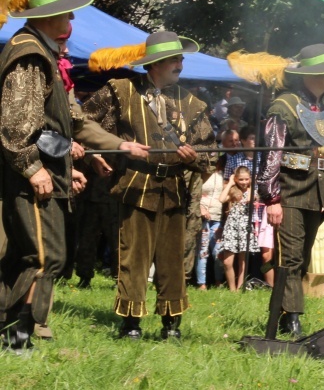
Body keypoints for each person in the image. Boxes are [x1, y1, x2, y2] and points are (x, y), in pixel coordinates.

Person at [73, 31, 216, 339]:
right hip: (135, 185)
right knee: (133, 258)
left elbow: (210, 152)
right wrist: (100, 152)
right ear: (156, 64)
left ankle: (171, 325)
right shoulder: (121, 91)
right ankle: (131, 324)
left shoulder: (193, 104)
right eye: (174, 59)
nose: (180, 64)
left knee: (172, 260)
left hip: (174, 188)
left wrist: (194, 157)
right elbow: (83, 122)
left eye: (180, 58)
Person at [0, 0, 92, 350]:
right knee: (45, 256)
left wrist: (66, 167)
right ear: (48, 16)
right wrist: (33, 167)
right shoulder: (30, 52)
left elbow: (48, 125)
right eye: (66, 16)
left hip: (42, 170)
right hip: (29, 175)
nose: (71, 25)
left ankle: (15, 336)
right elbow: (16, 123)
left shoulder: (40, 49)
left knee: (35, 256)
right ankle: (16, 338)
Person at [257, 43, 324, 337]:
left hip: (318, 191)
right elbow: (273, 153)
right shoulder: (283, 106)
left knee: (303, 256)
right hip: (289, 191)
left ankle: (283, 314)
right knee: (290, 257)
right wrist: (271, 198)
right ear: (313, 74)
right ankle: (293, 317)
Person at [218, 166, 259, 291]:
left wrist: (250, 187)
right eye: (241, 179)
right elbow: (221, 199)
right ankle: (232, 289)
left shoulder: (252, 190)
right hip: (231, 227)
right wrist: (230, 183)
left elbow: (250, 199)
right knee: (227, 262)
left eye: (247, 179)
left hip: (244, 227)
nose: (244, 182)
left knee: (242, 260)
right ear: (236, 179)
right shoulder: (232, 190)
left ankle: (241, 287)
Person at [197, 158, 225, 289]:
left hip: (218, 216)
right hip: (203, 216)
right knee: (203, 251)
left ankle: (218, 282)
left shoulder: (223, 174)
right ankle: (201, 284)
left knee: (218, 251)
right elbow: (194, 194)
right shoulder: (201, 174)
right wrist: (200, 209)